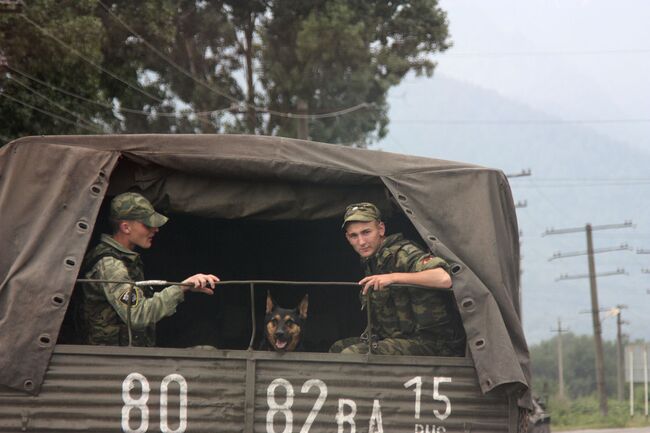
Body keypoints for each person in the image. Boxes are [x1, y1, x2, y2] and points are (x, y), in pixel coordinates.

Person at [78, 192, 219, 346]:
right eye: (147, 224)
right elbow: (138, 314)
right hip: (112, 359)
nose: (155, 229)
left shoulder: (125, 259)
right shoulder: (110, 264)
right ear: (126, 227)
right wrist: (182, 287)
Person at [329, 202, 465, 356]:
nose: (361, 242)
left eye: (366, 232)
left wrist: (393, 277)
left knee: (352, 354)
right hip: (399, 340)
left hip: (432, 344)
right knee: (337, 348)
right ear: (347, 237)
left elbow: (444, 278)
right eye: (354, 235)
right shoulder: (372, 261)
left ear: (381, 229)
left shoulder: (402, 253)